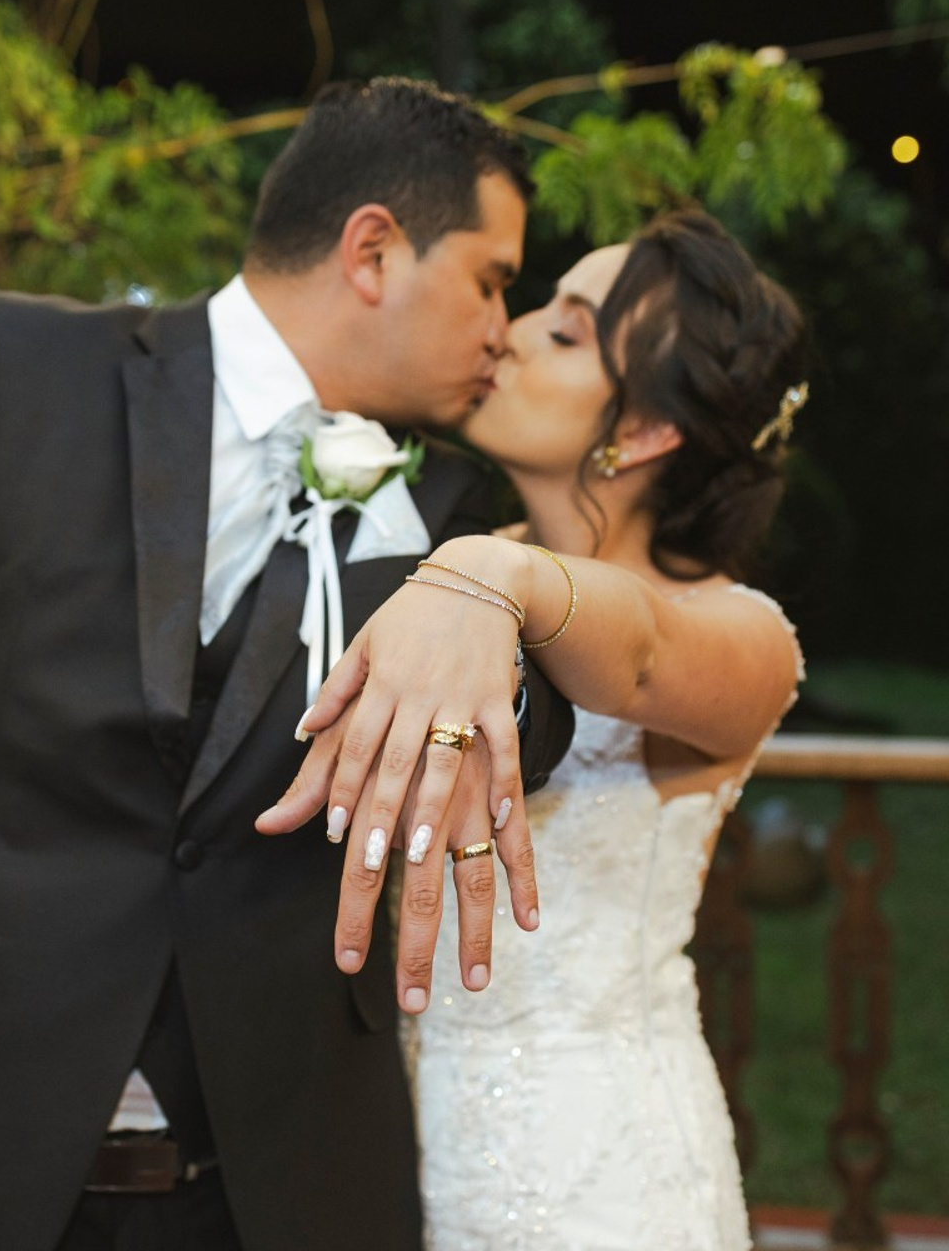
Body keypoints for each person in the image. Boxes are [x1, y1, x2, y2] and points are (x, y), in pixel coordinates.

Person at [0, 78, 573, 1251]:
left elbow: (531, 738)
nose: (500, 327)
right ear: (371, 250)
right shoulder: (15, 372)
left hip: (278, 1192)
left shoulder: (450, 517)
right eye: (491, 278)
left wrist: (493, 585)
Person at [261, 209, 807, 1248]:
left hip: (592, 1175)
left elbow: (636, 651)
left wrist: (491, 569)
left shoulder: (742, 635)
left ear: (643, 431)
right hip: (375, 1151)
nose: (505, 331)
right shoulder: (416, 565)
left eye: (562, 332)